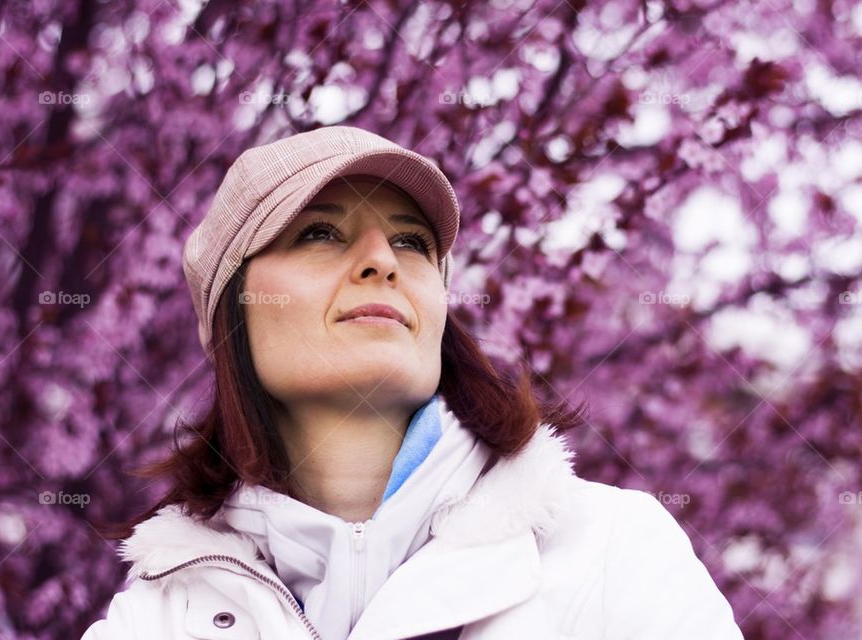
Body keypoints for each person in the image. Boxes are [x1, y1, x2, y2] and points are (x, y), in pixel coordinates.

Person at [82, 126, 744, 640]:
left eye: (411, 243)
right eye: (319, 232)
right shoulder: (153, 621)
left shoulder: (610, 550)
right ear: (236, 309)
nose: (380, 262)